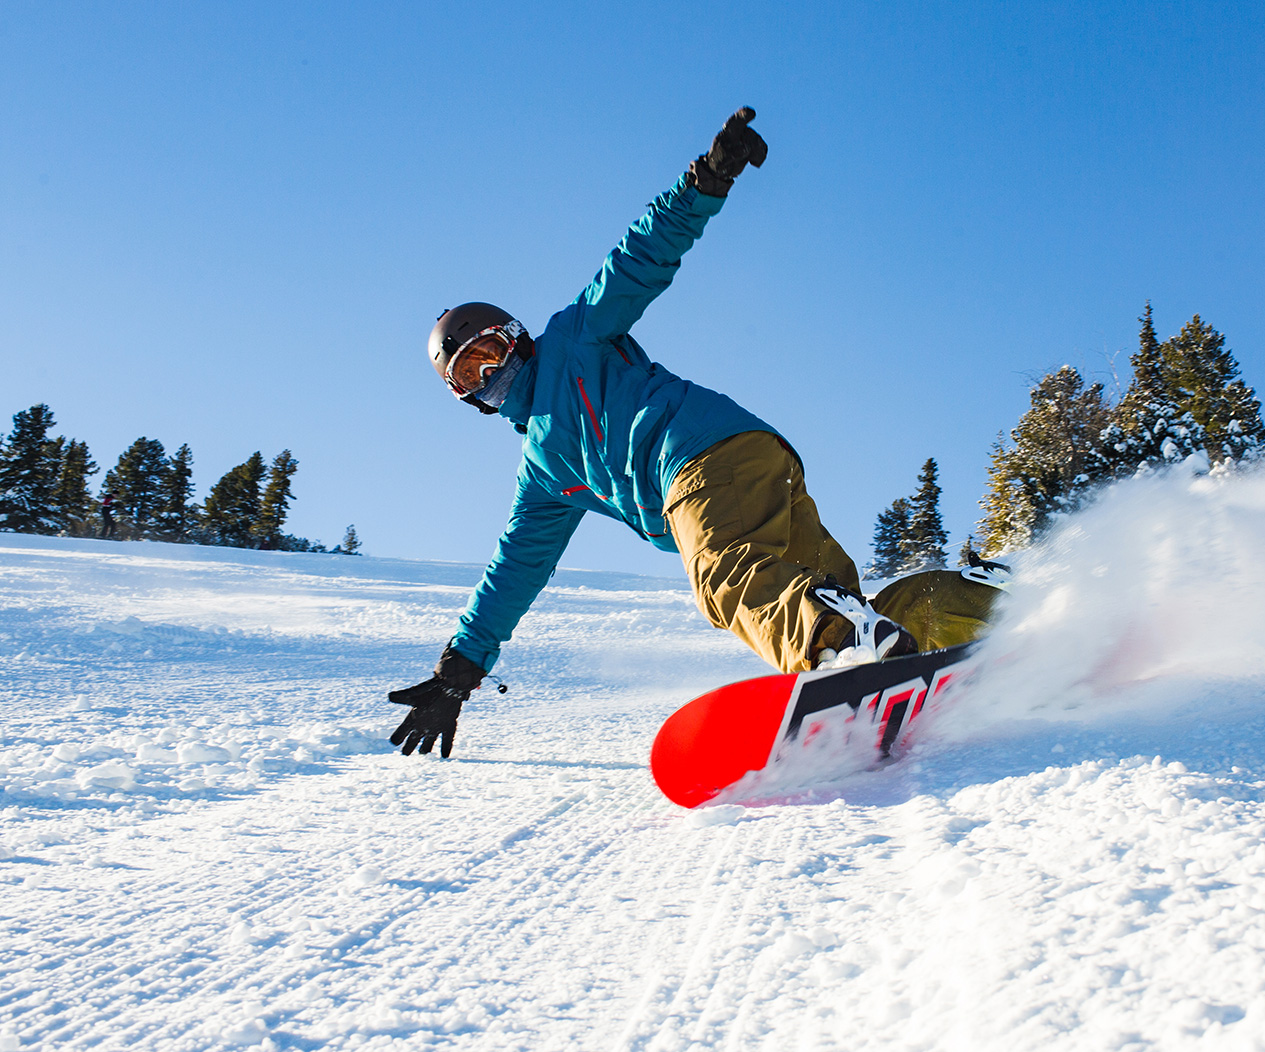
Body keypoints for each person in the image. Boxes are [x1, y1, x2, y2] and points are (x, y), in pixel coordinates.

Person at [387, 108, 999, 759]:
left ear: (515, 336)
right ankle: (985, 606)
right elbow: (513, 572)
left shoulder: (575, 338)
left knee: (728, 578)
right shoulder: (542, 474)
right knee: (841, 599)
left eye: (490, 352)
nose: (491, 376)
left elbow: (641, 257)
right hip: (759, 468)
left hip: (702, 462)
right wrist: (459, 673)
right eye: (470, 377)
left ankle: (848, 647)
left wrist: (706, 179)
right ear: (466, 398)